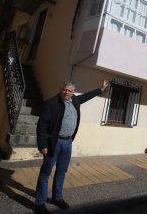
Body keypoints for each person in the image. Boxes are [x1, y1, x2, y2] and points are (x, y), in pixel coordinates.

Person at [34, 79, 109, 213]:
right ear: (60, 90)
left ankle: (57, 198)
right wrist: (43, 145)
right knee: (45, 173)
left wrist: (100, 90)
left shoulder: (74, 100)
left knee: (61, 172)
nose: (66, 92)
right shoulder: (51, 104)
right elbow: (42, 125)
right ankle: (39, 203)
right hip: (54, 143)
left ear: (73, 92)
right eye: (64, 89)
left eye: (69, 90)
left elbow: (86, 96)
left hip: (68, 143)